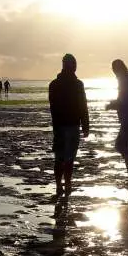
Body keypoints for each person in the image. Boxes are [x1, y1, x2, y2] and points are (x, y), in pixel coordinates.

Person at [48, 54, 89, 198]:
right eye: (74, 64)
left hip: (61, 126)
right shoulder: (78, 85)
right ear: (72, 66)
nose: (75, 66)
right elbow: (83, 106)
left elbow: (53, 108)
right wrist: (85, 126)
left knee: (59, 158)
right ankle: (67, 184)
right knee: (69, 159)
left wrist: (55, 125)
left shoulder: (54, 84)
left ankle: (60, 185)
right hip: (71, 125)